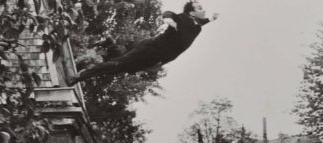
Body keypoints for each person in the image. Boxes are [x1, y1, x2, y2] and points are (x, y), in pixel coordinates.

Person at [67, 0, 219, 86]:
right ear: (192, 12)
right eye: (200, 8)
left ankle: (108, 47)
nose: (203, 10)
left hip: (156, 59)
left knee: (120, 69)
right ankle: (80, 76)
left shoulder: (196, 28)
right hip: (150, 49)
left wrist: (211, 19)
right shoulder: (183, 18)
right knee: (119, 65)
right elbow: (170, 13)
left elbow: (201, 23)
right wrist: (167, 19)